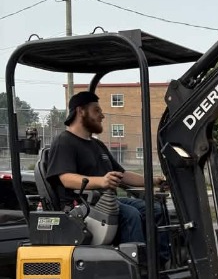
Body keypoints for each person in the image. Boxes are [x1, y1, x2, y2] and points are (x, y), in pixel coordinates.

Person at [46, 90, 165, 248]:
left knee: (155, 210)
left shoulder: (97, 145)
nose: (102, 116)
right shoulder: (64, 142)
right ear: (80, 111)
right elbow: (66, 178)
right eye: (96, 110)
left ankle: (161, 262)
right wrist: (102, 181)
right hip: (82, 207)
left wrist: (154, 181)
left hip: (108, 202)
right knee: (131, 215)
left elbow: (121, 175)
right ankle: (137, 264)